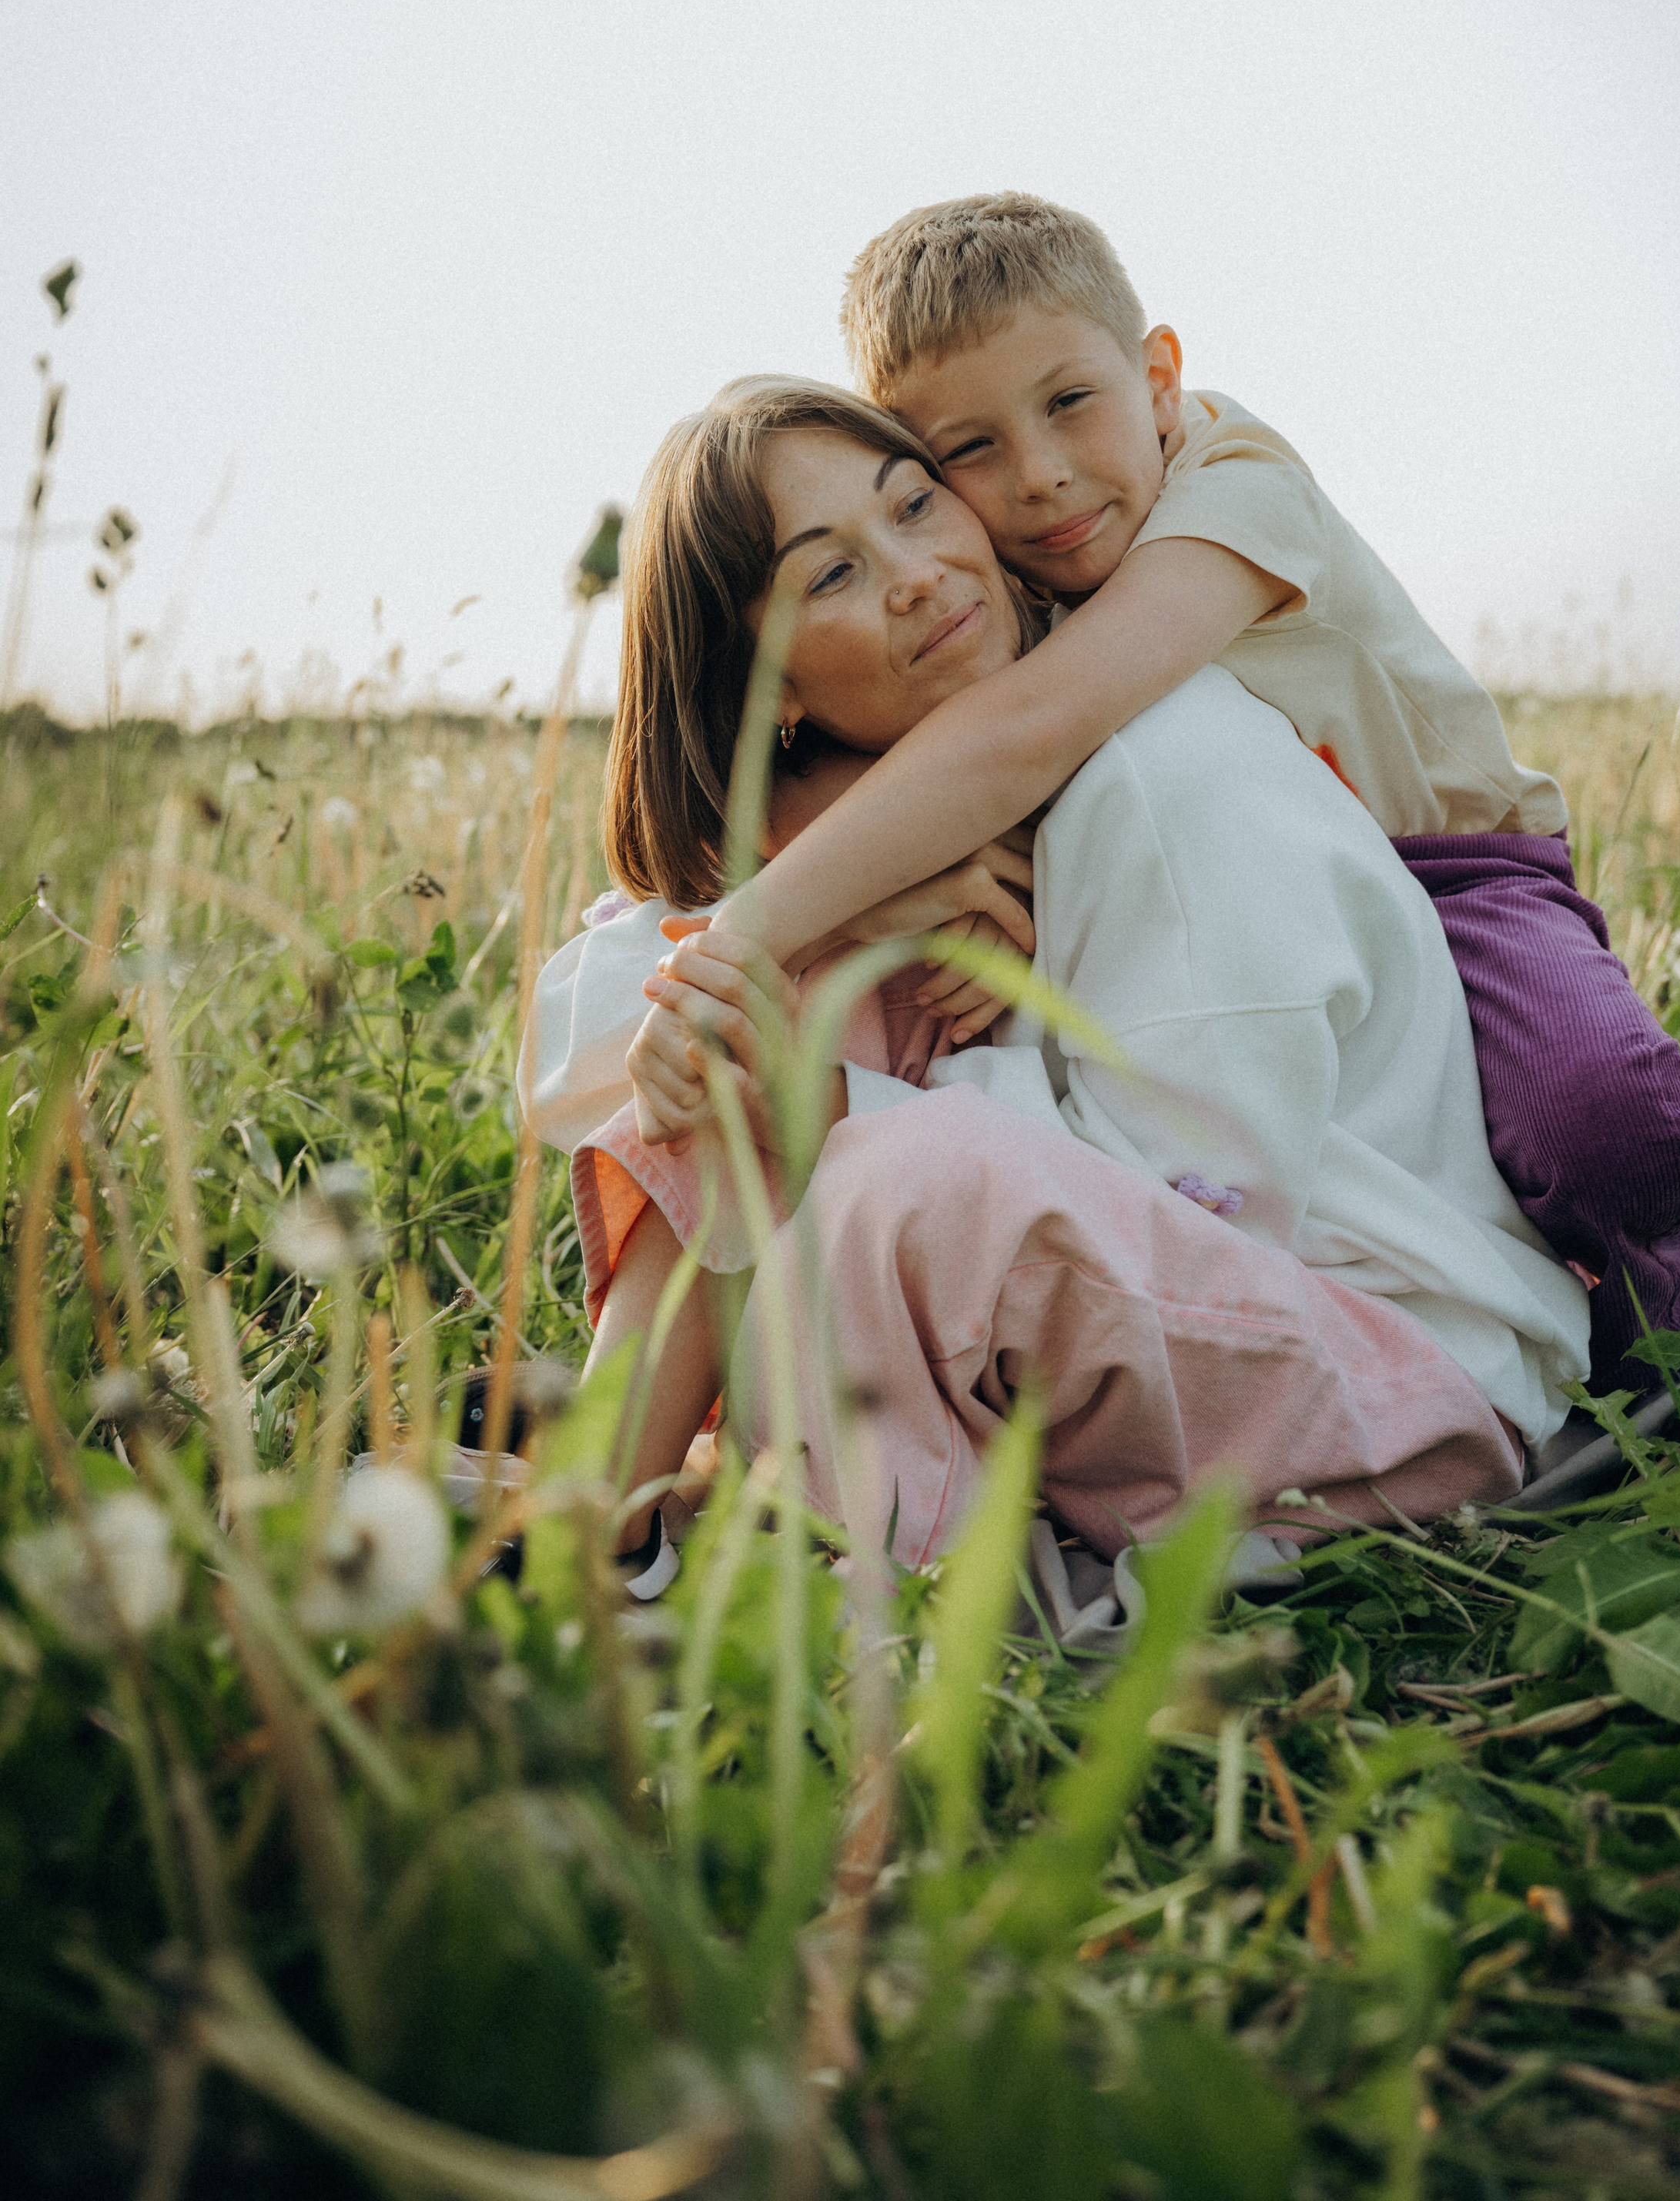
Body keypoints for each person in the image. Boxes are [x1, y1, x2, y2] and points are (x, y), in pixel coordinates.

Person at [522, 376, 1590, 1587]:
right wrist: (852, 916)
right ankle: (602, 1522)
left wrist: (826, 1111)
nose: (917, 573)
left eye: (917, 505)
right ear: (775, 699)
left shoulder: (1163, 778)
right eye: (831, 575)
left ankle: (875, 1589)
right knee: (787, 1006)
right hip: (1194, 1337)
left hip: (1406, 1384)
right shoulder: (901, 838)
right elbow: (577, 1043)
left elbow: (1215, 1193)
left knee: (892, 1176)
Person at [650, 194, 1680, 1391]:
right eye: (969, 452)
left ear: (1159, 376)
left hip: (1448, 873)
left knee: (1596, 1119)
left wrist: (748, 933)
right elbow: (843, 768)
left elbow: (1033, 728)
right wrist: (920, 882)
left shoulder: (1232, 486)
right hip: (1238, 918)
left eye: (1069, 403)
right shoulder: (980, 560)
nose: (1042, 479)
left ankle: (1659, 1348)